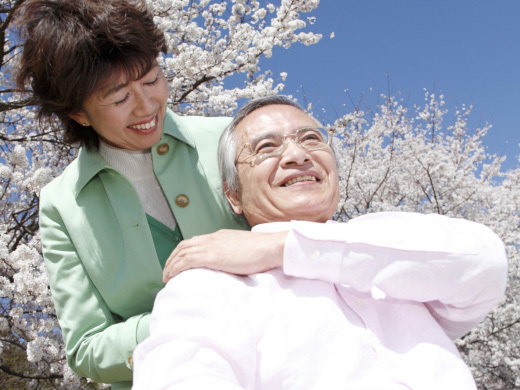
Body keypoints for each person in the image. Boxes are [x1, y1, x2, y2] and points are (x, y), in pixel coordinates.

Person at [133, 96, 508, 389]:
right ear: (233, 194)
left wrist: (283, 247)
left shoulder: (390, 237)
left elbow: (484, 263)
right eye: (266, 147)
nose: (297, 155)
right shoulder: (208, 284)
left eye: (311, 138)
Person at [15, 0, 249, 388]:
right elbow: (87, 349)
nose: (146, 107)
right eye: (119, 98)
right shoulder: (61, 204)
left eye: (152, 80)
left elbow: (306, 244)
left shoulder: (234, 138)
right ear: (79, 114)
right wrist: (175, 320)